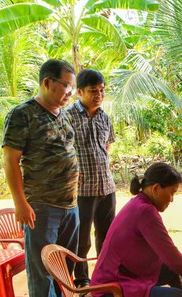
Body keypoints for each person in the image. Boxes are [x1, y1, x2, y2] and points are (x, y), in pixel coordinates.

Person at [90, 162, 182, 297]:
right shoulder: (145, 211)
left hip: (126, 273)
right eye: (172, 193)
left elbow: (169, 255)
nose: (172, 199)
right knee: (179, 296)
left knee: (175, 272)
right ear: (155, 189)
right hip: (113, 287)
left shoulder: (138, 203)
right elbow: (169, 253)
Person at [2, 59, 79, 297]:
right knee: (42, 274)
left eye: (72, 87)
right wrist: (20, 203)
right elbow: (10, 160)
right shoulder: (22, 114)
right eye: (66, 85)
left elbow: (65, 149)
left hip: (71, 205)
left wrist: (75, 173)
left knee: (64, 270)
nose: (70, 92)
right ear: (47, 82)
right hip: (42, 207)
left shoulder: (63, 114)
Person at [67, 69, 116, 288]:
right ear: (79, 92)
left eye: (101, 90)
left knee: (107, 238)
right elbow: (62, 149)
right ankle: (82, 280)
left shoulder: (105, 117)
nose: (98, 95)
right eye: (93, 91)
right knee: (82, 239)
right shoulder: (68, 116)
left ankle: (103, 276)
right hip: (83, 189)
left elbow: (107, 147)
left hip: (106, 186)